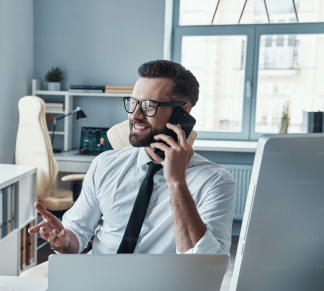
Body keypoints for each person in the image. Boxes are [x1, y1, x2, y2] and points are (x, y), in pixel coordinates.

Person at [22, 60, 236, 276]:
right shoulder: (105, 164)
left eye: (149, 106)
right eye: (133, 102)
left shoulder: (215, 182)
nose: (134, 115)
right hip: (98, 282)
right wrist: (64, 241)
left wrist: (176, 182)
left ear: (183, 112)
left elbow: (205, 270)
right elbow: (76, 234)